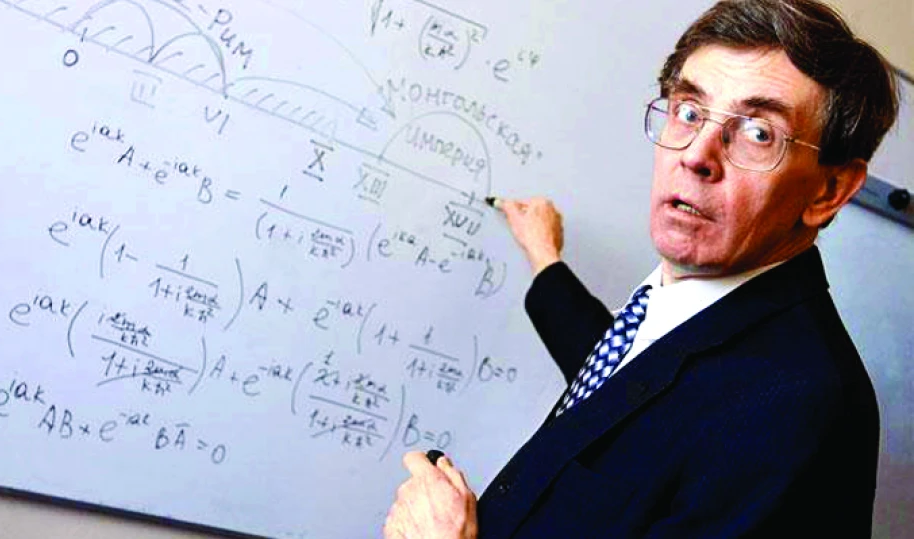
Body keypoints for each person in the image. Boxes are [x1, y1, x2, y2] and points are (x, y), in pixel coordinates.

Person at [383, 0, 900, 537]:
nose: (696, 154)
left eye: (759, 133)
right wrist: (545, 258)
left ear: (828, 190)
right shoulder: (683, 306)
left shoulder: (802, 408)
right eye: (690, 112)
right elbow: (627, 384)